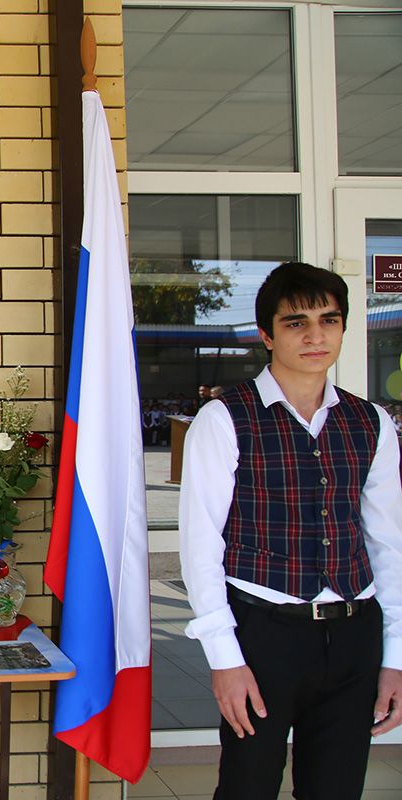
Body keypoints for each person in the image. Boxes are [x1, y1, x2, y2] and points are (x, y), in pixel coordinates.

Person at [179, 262, 402, 799]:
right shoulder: (225, 417)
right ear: (266, 334)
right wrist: (225, 660)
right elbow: (200, 544)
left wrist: (394, 657)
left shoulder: (370, 421)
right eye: (296, 322)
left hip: (354, 632)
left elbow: (388, 544)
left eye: (329, 320)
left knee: (336, 789)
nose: (315, 335)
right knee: (247, 787)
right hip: (264, 631)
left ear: (345, 328)